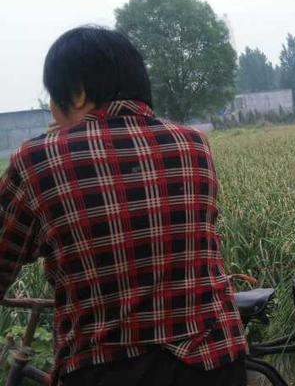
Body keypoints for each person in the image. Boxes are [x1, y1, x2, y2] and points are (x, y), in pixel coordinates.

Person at [0, 26, 247, 385]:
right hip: (216, 365)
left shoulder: (39, 159)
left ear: (78, 92)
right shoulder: (194, 146)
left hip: (107, 371)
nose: (53, 114)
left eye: (54, 99)